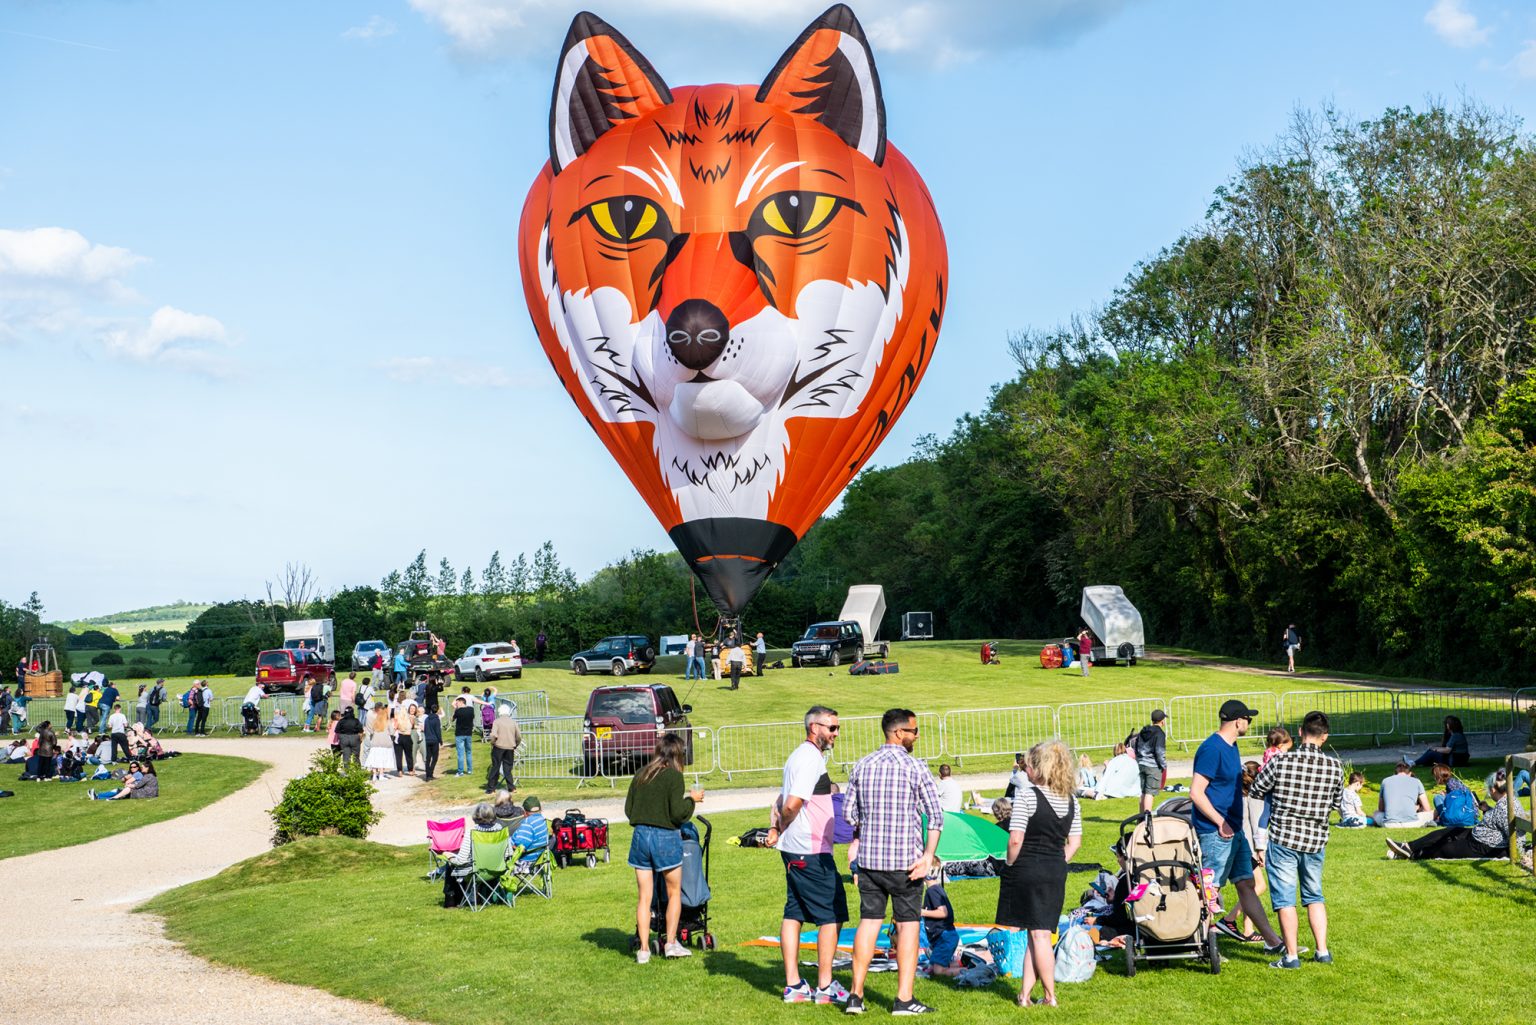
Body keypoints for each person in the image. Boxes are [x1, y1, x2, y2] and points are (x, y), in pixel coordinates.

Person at [843, 708, 944, 1017]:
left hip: (871, 862)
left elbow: (849, 815)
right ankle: (904, 999)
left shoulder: (862, 765)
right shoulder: (916, 767)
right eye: (914, 731)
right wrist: (928, 856)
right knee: (909, 927)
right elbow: (936, 816)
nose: (917, 735)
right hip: (906, 864)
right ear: (899, 733)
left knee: (869, 923)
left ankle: (855, 996)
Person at [765, 706, 849, 1006]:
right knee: (831, 915)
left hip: (801, 848)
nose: (836, 733)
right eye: (832, 728)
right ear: (815, 728)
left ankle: (795, 986)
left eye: (837, 727)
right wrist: (781, 826)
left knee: (795, 912)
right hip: (809, 849)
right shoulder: (809, 758)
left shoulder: (801, 756)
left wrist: (777, 829)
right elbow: (790, 804)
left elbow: (781, 798)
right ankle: (824, 988)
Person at [1247, 710, 1340, 969]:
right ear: (1325, 737)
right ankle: (1322, 951)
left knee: (1285, 899)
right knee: (1314, 895)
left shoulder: (1281, 762)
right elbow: (1337, 803)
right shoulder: (1335, 766)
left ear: (1300, 732)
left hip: (1284, 837)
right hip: (1315, 839)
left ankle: (1291, 956)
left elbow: (1256, 789)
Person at [1191, 699, 1284, 952]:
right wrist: (1220, 822)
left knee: (1246, 884)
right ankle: (1200, 944)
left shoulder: (1231, 747)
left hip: (1235, 831)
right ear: (1237, 721)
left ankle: (1273, 942)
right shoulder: (1212, 749)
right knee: (1210, 890)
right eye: (1248, 719)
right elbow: (1196, 792)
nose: (1249, 723)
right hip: (1216, 831)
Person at [995, 740, 1080, 1008]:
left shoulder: (1028, 795)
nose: (1026, 769)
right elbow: (1074, 842)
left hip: (1028, 868)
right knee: (1036, 933)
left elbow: (1015, 839)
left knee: (1039, 935)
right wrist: (1056, 860)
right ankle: (1024, 995)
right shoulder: (1072, 800)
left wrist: (1009, 864)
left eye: (1029, 765)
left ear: (1039, 768)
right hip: (1055, 869)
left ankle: (1050, 996)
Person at [625, 733, 704, 963]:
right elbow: (678, 813)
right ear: (678, 754)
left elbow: (629, 809)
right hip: (665, 838)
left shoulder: (641, 774)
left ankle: (643, 950)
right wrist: (692, 800)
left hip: (640, 836)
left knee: (644, 897)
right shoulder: (674, 777)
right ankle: (670, 943)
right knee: (673, 893)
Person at [1389, 777, 1515, 861]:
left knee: (1445, 848)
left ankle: (1409, 855)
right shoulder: (1505, 802)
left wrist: (1509, 853)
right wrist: (1488, 809)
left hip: (1482, 845)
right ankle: (1408, 846)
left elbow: (1512, 833)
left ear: (1493, 789)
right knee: (1449, 831)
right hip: (1477, 835)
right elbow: (1500, 820)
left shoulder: (1505, 806)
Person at [443, 802, 507, 907]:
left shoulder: (472, 833)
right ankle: (479, 897)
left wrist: (450, 856)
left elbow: (461, 861)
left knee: (450, 864)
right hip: (497, 871)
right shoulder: (502, 831)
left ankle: (451, 902)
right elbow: (508, 854)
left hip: (478, 873)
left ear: (476, 818)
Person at [919, 862, 961, 978]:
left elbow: (943, 912)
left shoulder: (932, 891)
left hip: (945, 937)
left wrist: (922, 912)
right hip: (941, 938)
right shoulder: (934, 889)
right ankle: (960, 964)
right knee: (931, 969)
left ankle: (968, 970)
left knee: (938, 971)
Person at [1372, 762, 1432, 827]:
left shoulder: (1385, 781)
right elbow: (1427, 809)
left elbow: (1381, 808)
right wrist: (1418, 809)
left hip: (1389, 824)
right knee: (1433, 812)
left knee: (1376, 813)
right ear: (1410, 773)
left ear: (1394, 773)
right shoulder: (1416, 781)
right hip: (1412, 823)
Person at [1134, 709, 1168, 814]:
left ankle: (1140, 818)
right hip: (1153, 766)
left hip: (1141, 763)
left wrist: (1139, 759)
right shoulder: (1160, 734)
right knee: (1150, 793)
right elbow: (1159, 751)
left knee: (1143, 792)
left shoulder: (1143, 731)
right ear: (1162, 721)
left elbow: (1136, 746)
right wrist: (1163, 765)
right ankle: (1147, 817)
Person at [486, 704, 521, 793]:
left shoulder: (497, 722)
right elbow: (518, 736)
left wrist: (493, 742)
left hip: (498, 747)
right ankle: (511, 787)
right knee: (508, 768)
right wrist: (515, 744)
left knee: (495, 767)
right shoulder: (513, 722)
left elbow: (493, 735)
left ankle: (491, 788)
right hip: (510, 747)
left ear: (500, 712)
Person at [89, 760, 159, 801]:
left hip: (146, 793)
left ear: (147, 768)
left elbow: (137, 785)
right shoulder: (148, 775)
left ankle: (101, 797)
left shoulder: (142, 775)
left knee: (118, 791)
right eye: (131, 767)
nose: (132, 768)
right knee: (119, 791)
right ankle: (98, 797)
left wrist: (129, 784)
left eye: (135, 767)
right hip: (147, 792)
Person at [363, 704, 396, 782]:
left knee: (375, 759)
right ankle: (381, 775)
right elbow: (392, 732)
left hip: (375, 743)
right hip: (385, 743)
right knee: (382, 759)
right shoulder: (387, 722)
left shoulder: (375, 722)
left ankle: (374, 775)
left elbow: (371, 731)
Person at [510, 795, 549, 860]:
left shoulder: (528, 823)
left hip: (526, 860)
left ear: (525, 811)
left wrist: (510, 844)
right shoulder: (542, 820)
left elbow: (520, 847)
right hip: (540, 857)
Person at [452, 696, 475, 776]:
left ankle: (460, 771)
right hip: (468, 733)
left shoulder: (458, 711)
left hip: (459, 734)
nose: (456, 704)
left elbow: (453, 719)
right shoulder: (471, 709)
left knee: (460, 754)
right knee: (468, 752)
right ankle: (469, 770)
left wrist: (455, 709)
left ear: (461, 702)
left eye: (457, 703)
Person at [392, 699, 416, 775]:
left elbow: (394, 727)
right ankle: (410, 770)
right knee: (408, 754)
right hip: (407, 736)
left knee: (398, 755)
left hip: (398, 737)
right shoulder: (410, 718)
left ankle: (399, 770)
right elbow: (412, 727)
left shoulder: (397, 718)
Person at [421, 704, 442, 781]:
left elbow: (425, 729)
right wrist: (440, 740)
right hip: (434, 740)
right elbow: (438, 731)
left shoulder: (427, 719)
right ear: (437, 710)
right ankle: (430, 772)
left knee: (428, 758)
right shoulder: (436, 719)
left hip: (428, 740)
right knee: (435, 758)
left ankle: (427, 775)